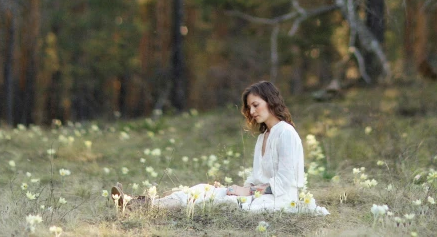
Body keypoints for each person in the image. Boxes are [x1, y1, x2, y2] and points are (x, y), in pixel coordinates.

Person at [111, 81, 328, 215]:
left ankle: (138, 206)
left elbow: (285, 182)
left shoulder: (286, 133)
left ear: (271, 101)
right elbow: (255, 178)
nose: (251, 112)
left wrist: (247, 192)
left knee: (217, 200)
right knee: (201, 189)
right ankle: (137, 203)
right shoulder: (263, 137)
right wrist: (238, 188)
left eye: (256, 105)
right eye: (249, 107)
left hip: (279, 201)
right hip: (259, 195)